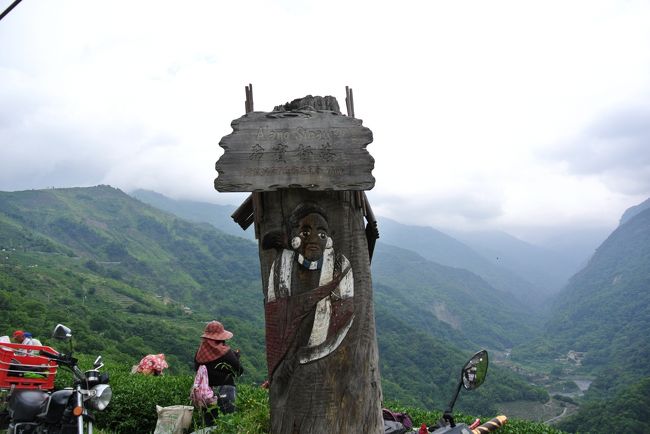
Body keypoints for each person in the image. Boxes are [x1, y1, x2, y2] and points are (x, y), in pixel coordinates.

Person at [194, 321, 243, 419]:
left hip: (206, 394)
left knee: (209, 423)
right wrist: (236, 357)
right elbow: (238, 371)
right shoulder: (226, 353)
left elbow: (197, 370)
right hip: (226, 390)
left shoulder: (199, 354)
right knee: (227, 421)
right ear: (221, 338)